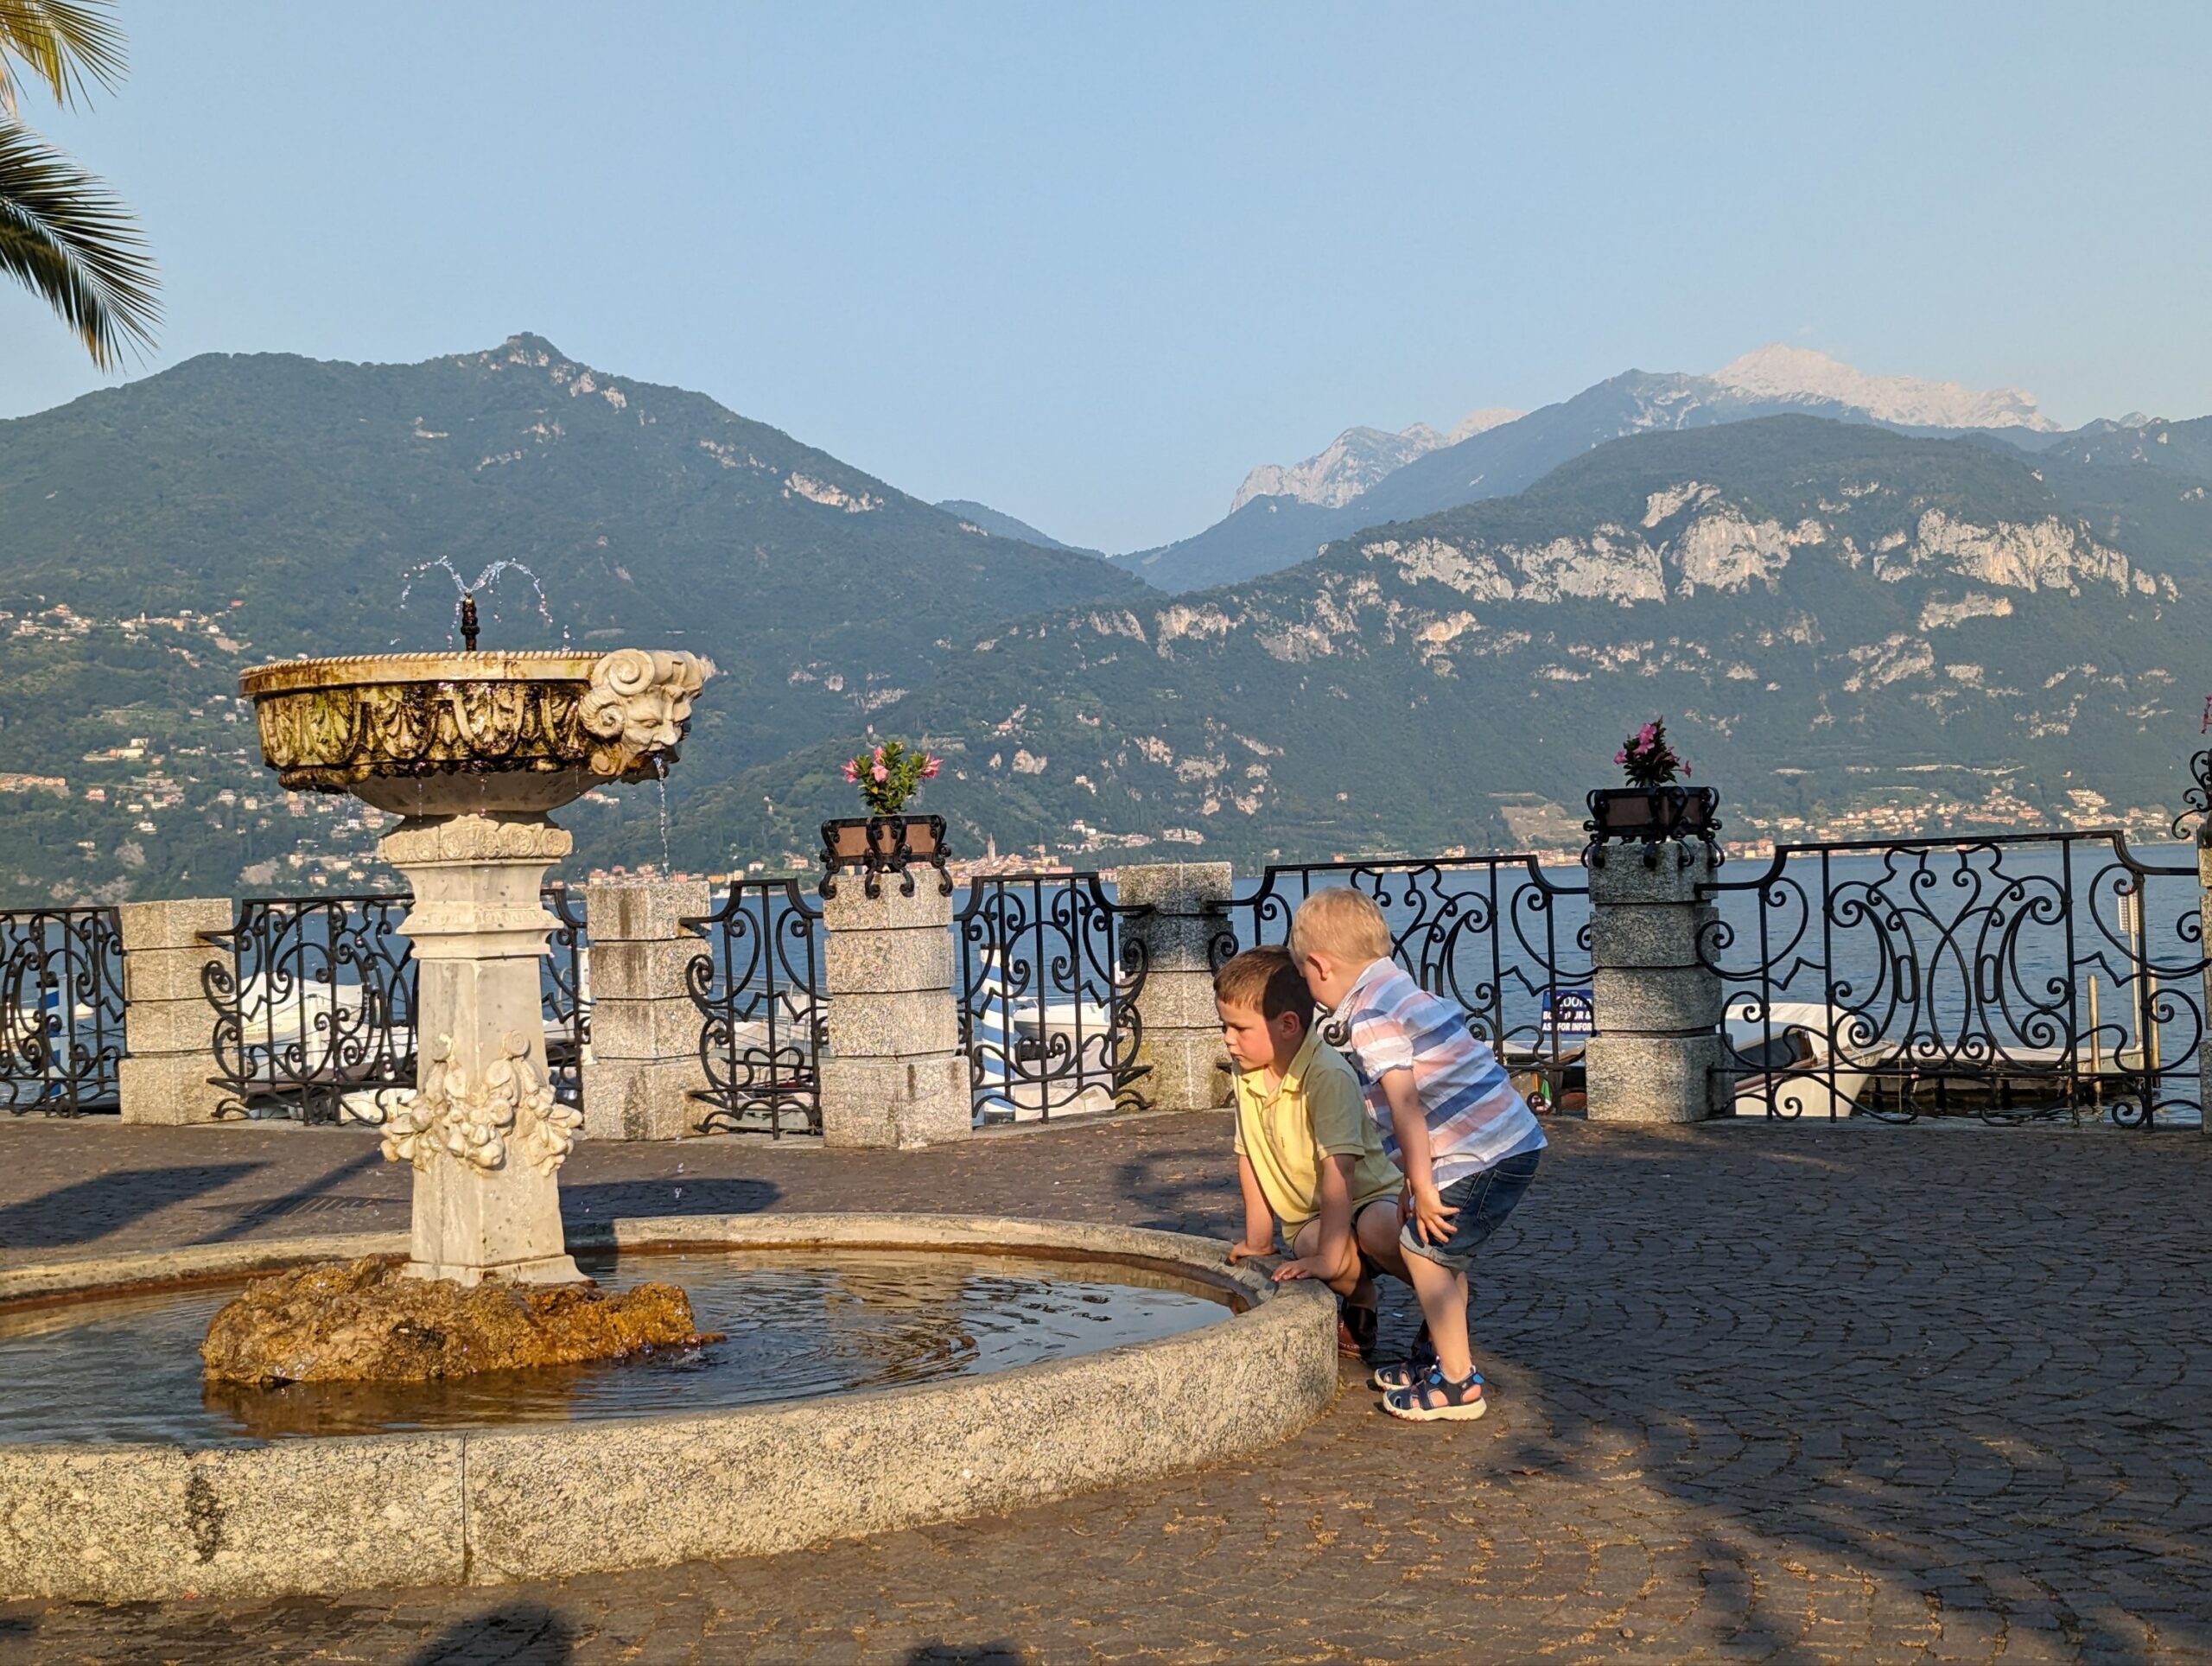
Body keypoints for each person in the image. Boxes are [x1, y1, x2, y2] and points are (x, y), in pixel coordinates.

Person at [1289, 887, 1545, 1423]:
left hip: (1484, 1151)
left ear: (1320, 966)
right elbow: (1427, 1099)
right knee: (1434, 1248)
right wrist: (1413, 1181)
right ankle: (1437, 1360)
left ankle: (1458, 1383)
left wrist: (1424, 1188)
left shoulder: (1370, 1013)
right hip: (1501, 1141)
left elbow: (1404, 1102)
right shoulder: (1397, 987)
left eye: (1308, 980)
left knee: (1426, 1251)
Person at [1215, 944, 1409, 1358]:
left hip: (1369, 1195)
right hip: (1310, 1213)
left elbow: (1339, 1168)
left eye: (1239, 1028)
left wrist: (1331, 1256)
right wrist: (1259, 1240)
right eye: (1224, 1027)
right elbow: (1247, 1151)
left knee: (1376, 1232)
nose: (1228, 1040)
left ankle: (1443, 1301)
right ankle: (1362, 1299)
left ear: (1287, 1024)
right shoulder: (1244, 1071)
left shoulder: (1328, 1075)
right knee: (1312, 1249)